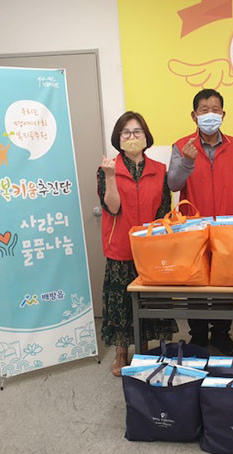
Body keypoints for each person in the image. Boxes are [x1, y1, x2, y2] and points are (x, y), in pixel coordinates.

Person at [98, 111, 177, 376]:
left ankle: (145, 349)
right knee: (121, 301)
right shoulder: (108, 168)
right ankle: (121, 351)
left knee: (150, 300)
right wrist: (111, 177)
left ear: (146, 136)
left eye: (137, 131)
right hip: (120, 247)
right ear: (118, 138)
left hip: (150, 248)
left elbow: (164, 211)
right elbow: (112, 207)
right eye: (126, 132)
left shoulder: (159, 170)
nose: (132, 136)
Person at [168, 89, 233, 355]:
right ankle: (199, 334)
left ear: (223, 114)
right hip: (194, 226)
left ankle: (222, 333)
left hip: (228, 225)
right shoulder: (181, 146)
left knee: (225, 281)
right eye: (204, 110)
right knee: (195, 282)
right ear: (194, 115)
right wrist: (187, 162)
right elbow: (173, 183)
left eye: (215, 109)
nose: (210, 114)